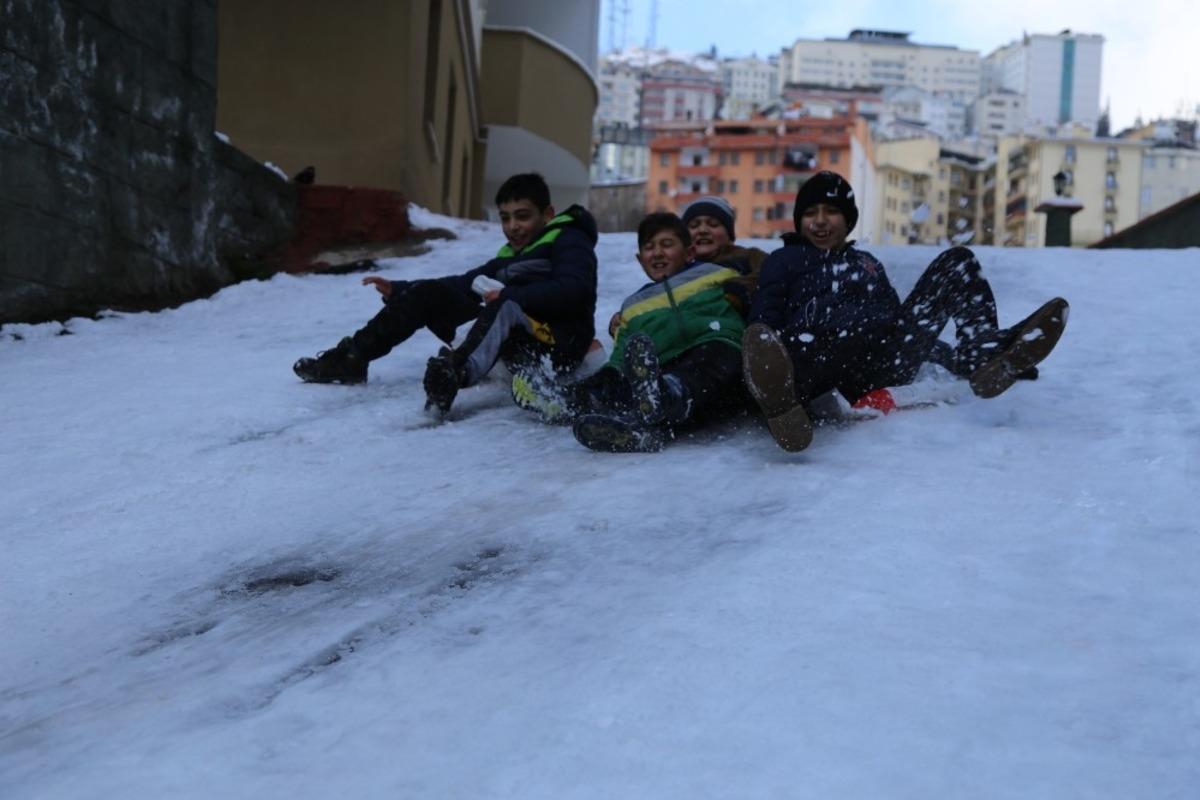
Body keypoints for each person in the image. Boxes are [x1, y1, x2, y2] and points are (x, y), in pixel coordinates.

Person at [742, 170, 1069, 452]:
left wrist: (953, 362)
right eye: (811, 212)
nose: (820, 220)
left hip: (881, 361)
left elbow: (901, 328)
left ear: (849, 219)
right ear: (799, 220)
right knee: (809, 339)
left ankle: (984, 357)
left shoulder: (868, 264)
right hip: (818, 360)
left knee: (957, 262)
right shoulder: (784, 260)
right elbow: (764, 323)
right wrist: (768, 364)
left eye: (831, 211)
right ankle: (782, 402)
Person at [293, 173, 598, 416]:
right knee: (430, 293)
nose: (513, 226)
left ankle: (453, 374)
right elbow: (462, 284)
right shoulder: (510, 256)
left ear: (547, 214)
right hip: (507, 341)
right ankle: (353, 357)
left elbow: (575, 289)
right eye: (505, 218)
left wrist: (511, 294)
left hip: (555, 344)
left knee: (506, 303)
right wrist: (401, 289)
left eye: (522, 216)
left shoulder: (569, 240)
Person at [514, 212, 747, 453]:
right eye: (649, 248)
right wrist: (610, 377)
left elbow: (751, 292)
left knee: (709, 363)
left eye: (667, 245)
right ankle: (570, 402)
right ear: (640, 259)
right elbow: (624, 351)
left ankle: (664, 398)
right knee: (615, 379)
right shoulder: (634, 304)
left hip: (715, 347)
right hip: (661, 367)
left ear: (689, 253)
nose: (657, 253)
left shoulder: (716, 274)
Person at [606, 195, 768, 337]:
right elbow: (659, 298)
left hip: (736, 328)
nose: (703, 230)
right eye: (694, 225)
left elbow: (770, 275)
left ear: (730, 235)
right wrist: (626, 317)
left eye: (713, 224)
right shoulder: (676, 269)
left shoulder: (748, 256)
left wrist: (739, 290)